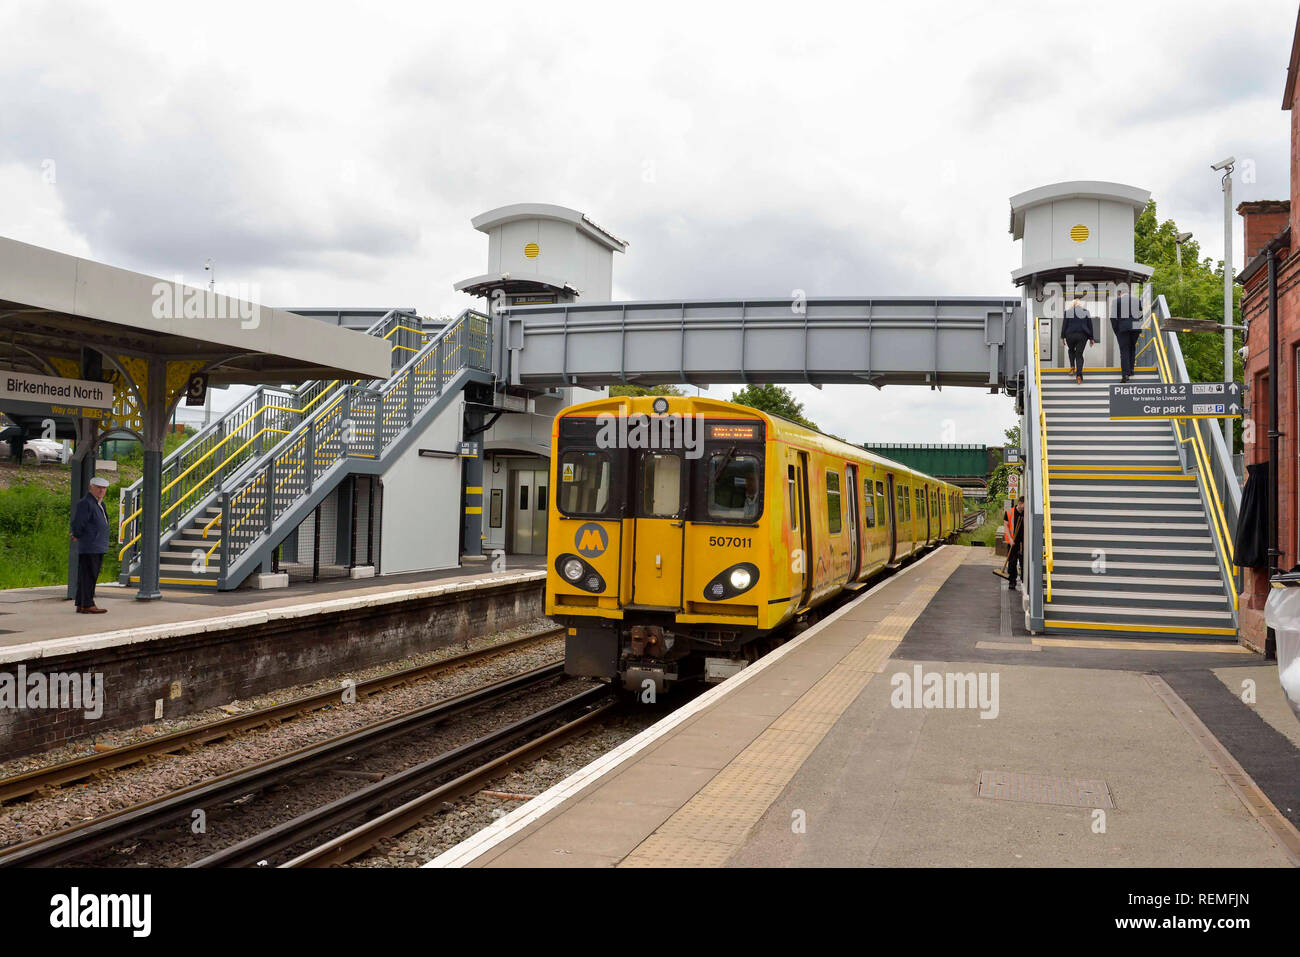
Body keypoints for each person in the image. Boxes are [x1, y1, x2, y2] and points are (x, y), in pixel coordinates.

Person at [70, 475, 110, 614]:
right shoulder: (86, 503)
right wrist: (76, 534)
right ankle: (87, 603)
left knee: (87, 575)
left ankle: (82, 604)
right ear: (91, 488)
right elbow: (79, 521)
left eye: (104, 488)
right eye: (98, 488)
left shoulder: (100, 504)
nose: (101, 491)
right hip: (91, 545)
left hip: (97, 545)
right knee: (89, 575)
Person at [1109, 285, 1145, 383]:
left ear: (1119, 294)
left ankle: (1125, 374)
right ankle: (1131, 370)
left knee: (1124, 350)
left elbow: (1112, 317)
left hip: (1123, 328)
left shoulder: (1116, 301)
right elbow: (1141, 314)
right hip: (1135, 327)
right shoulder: (1137, 300)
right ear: (1128, 293)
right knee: (1132, 347)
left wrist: (1116, 329)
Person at [1060, 297, 1096, 384]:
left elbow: (1064, 325)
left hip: (1070, 335)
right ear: (1080, 305)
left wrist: (1062, 337)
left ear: (1072, 305)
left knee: (1071, 350)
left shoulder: (1068, 312)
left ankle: (1072, 367)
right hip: (1082, 336)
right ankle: (1079, 375)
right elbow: (1090, 325)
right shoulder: (1086, 312)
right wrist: (1091, 338)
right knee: (1079, 355)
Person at [1006, 496, 1025, 590]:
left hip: (1023, 542)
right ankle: (1012, 581)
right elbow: (1006, 526)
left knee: (1023, 562)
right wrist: (1010, 539)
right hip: (1013, 541)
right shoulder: (1009, 512)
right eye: (1025, 505)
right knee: (1012, 562)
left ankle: (1024, 579)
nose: (1026, 507)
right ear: (1020, 503)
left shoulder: (1026, 513)